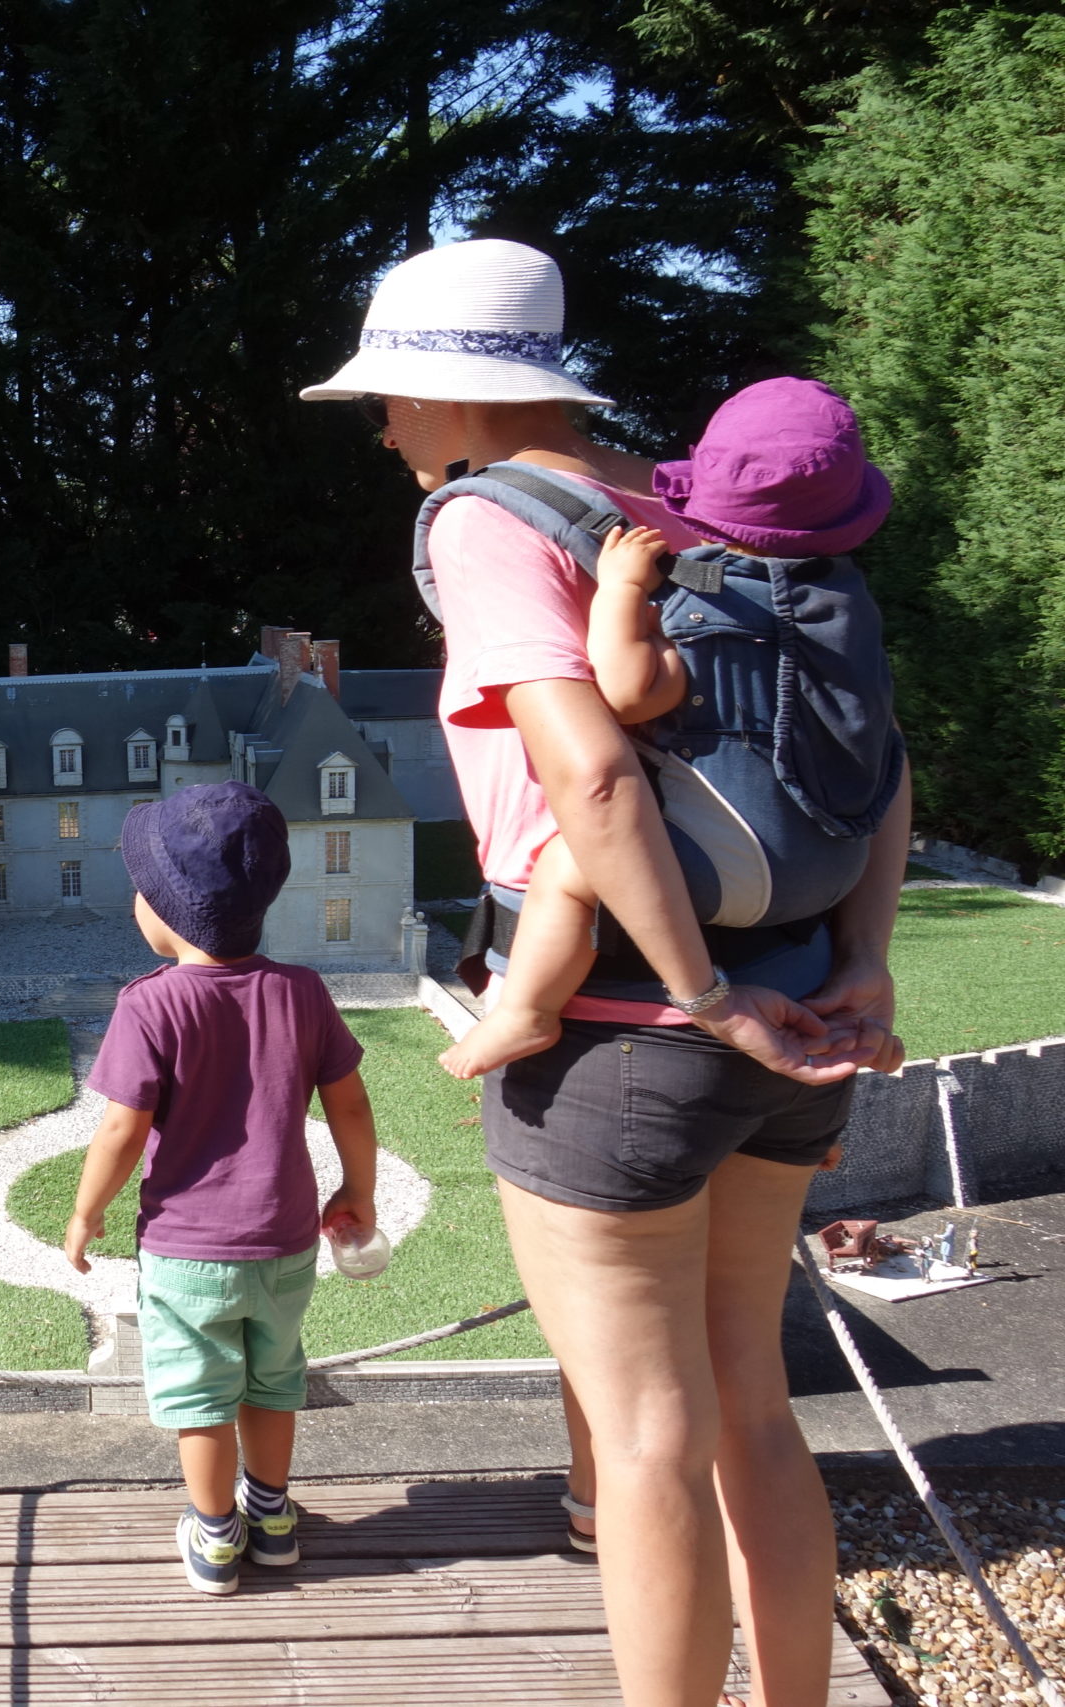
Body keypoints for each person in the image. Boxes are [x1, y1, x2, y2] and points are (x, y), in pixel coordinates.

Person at [300, 239, 906, 1707]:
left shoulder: (482, 520)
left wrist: (704, 996)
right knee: (754, 1407)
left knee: (644, 1440)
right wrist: (864, 963)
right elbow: (875, 754)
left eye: (389, 398)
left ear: (454, 394)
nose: (384, 428)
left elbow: (592, 778)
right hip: (807, 1003)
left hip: (626, 1030)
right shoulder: (699, 498)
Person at [438, 376, 900, 1080]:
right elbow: (888, 752)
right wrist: (866, 950)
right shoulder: (848, 613)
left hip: (740, 871)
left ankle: (527, 1011)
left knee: (568, 866)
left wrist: (622, 591)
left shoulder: (707, 606)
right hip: (836, 873)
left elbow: (628, 695)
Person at [61, 782, 379, 1598]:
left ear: (169, 912)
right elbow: (349, 1102)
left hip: (186, 1251)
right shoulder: (302, 991)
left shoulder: (149, 1004)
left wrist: (86, 1211)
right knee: (273, 1381)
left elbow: (121, 1130)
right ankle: (271, 1519)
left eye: (142, 886)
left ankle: (213, 1536)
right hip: (285, 1242)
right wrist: (359, 1190)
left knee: (200, 1396)